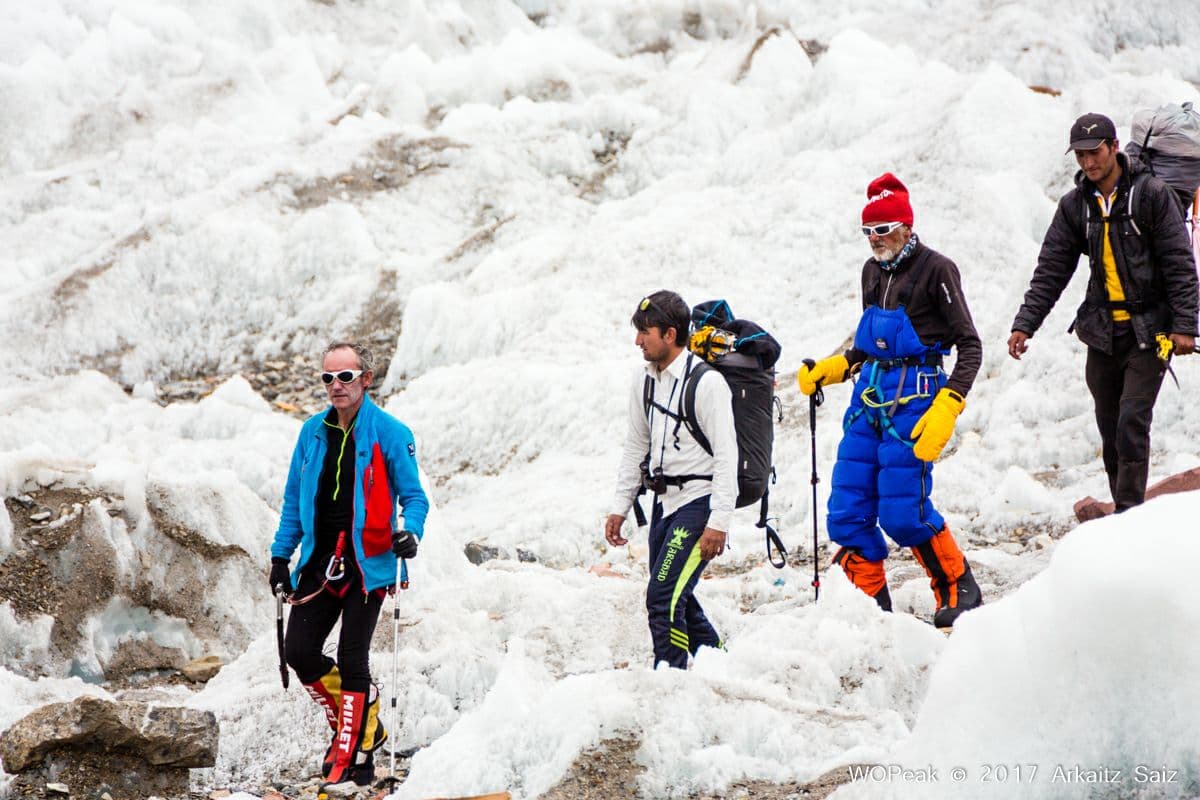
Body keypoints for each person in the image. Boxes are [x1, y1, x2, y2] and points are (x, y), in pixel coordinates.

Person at [797, 174, 984, 628]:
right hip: (869, 400)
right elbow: (869, 345)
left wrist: (949, 404)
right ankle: (870, 609)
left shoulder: (938, 270)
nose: (873, 240)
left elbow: (971, 346)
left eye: (881, 230)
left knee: (902, 512)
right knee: (847, 509)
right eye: (867, 231)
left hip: (917, 402)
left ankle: (959, 587)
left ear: (905, 225)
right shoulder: (871, 271)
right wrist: (837, 366)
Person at [1008, 113, 1198, 513]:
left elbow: (1179, 262)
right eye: (1080, 155)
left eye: (1094, 152)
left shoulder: (1151, 194)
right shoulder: (1076, 206)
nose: (1088, 163)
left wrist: (1185, 326)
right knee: (1110, 429)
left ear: (1114, 147)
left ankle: (1128, 516)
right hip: (1102, 331)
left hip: (1152, 331)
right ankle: (1123, 510)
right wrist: (1025, 324)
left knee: (1132, 422)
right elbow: (1052, 269)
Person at [268, 342, 429, 785]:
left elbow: (414, 498)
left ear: (365, 379)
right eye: (327, 378)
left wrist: (410, 532)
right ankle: (366, 722)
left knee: (352, 656)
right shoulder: (311, 433)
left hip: (369, 562)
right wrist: (281, 556)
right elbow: (291, 502)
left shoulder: (392, 432)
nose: (335, 386)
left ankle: (353, 749)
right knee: (299, 651)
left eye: (345, 376)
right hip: (319, 561)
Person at [606, 291, 738, 668]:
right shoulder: (644, 380)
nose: (637, 341)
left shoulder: (707, 383)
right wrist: (619, 507)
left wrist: (719, 523)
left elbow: (728, 455)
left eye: (644, 332)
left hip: (700, 504)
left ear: (669, 334)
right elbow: (636, 445)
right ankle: (720, 666)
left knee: (662, 599)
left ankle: (671, 681)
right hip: (664, 504)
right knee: (676, 594)